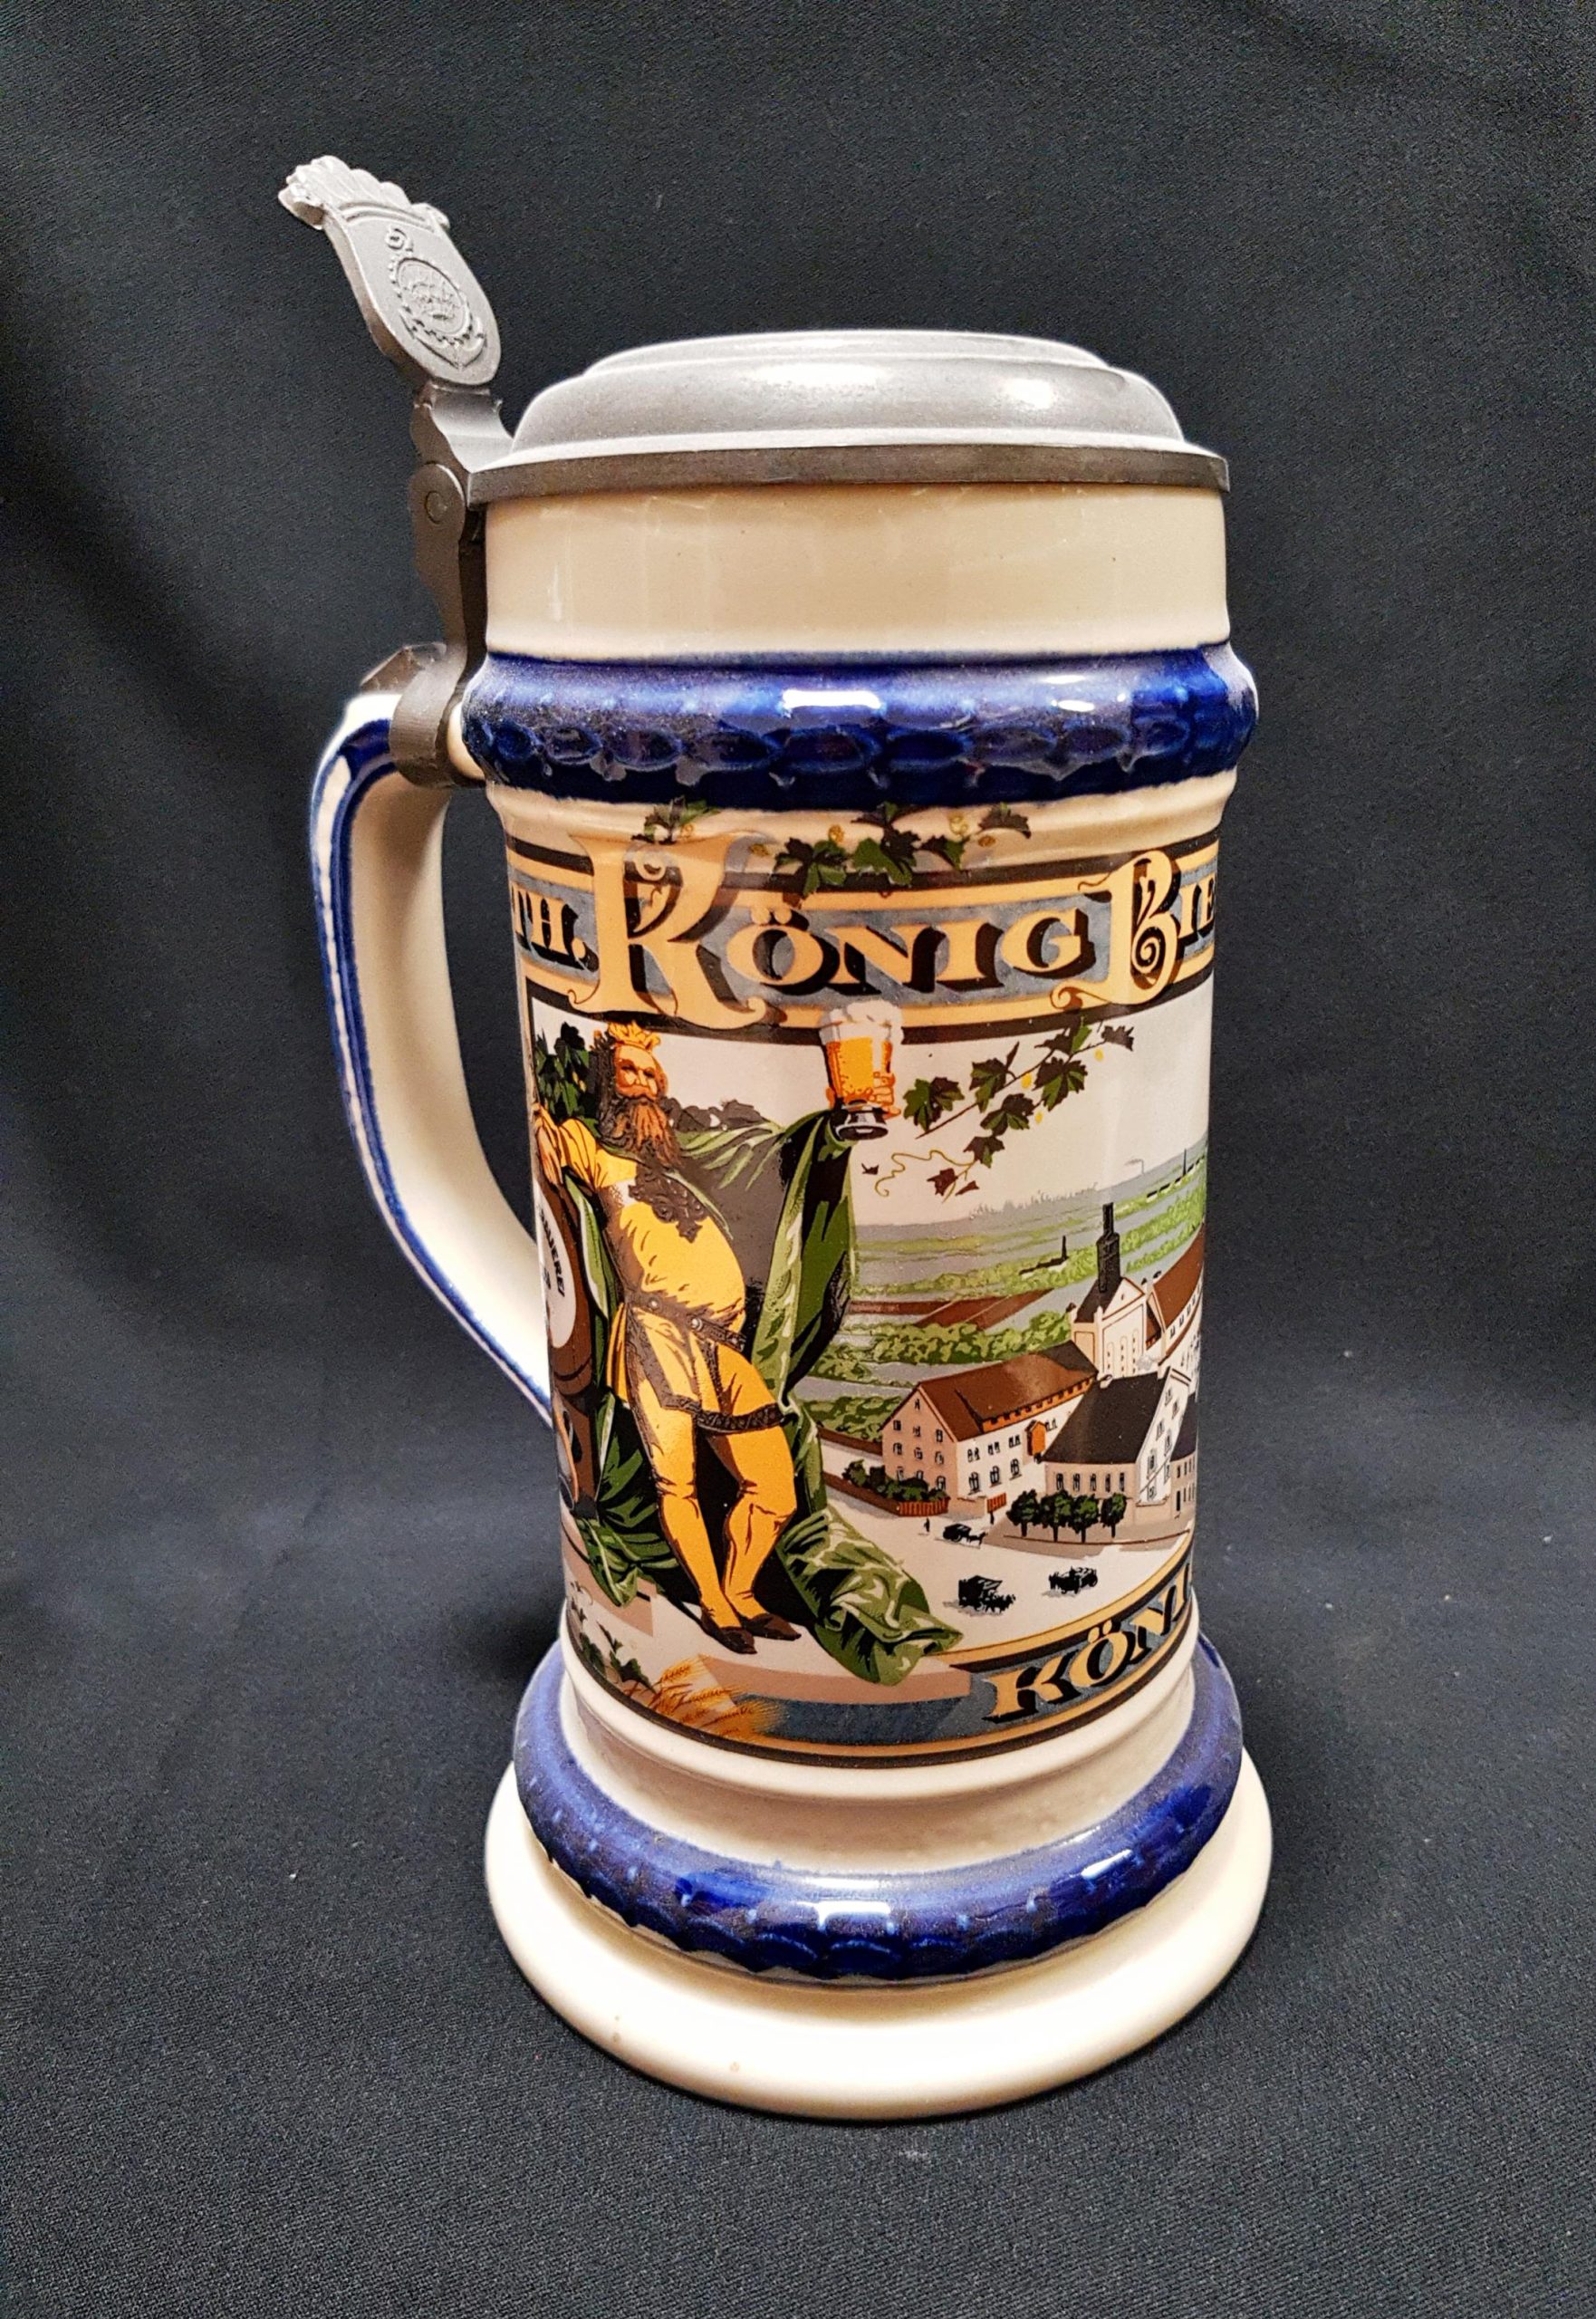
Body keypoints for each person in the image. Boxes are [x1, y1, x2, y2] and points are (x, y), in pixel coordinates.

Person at [536, 1024, 890, 1652]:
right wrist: (543, 1123)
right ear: (608, 1084)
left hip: (724, 1347)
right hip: (657, 1336)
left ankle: (742, 1591)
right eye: (628, 1072)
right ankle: (714, 1603)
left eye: (650, 1074)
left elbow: (766, 1163)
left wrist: (837, 1126)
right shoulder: (594, 1152)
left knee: (773, 1490)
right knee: (678, 1485)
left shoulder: (687, 1161)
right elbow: (551, 1167)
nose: (642, 1084)